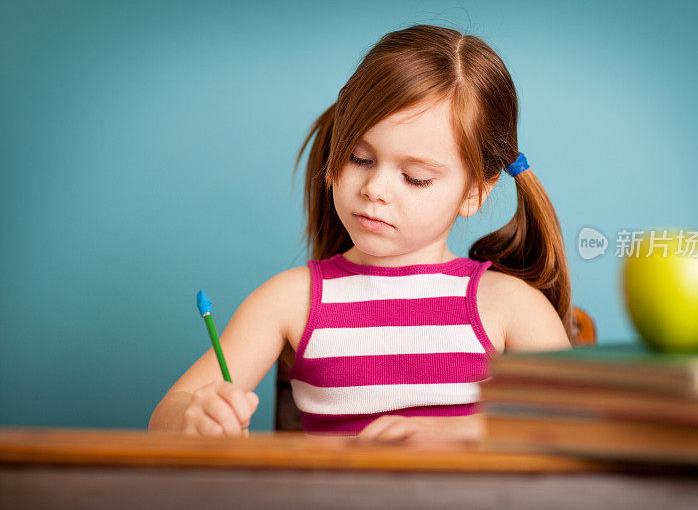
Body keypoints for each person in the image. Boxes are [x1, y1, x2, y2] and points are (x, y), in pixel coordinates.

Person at [149, 24, 573, 444]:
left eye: (415, 177)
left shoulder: (510, 306)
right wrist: (195, 417)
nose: (374, 190)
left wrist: (463, 431)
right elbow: (168, 414)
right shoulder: (290, 300)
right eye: (359, 158)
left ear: (475, 193)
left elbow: (581, 424)